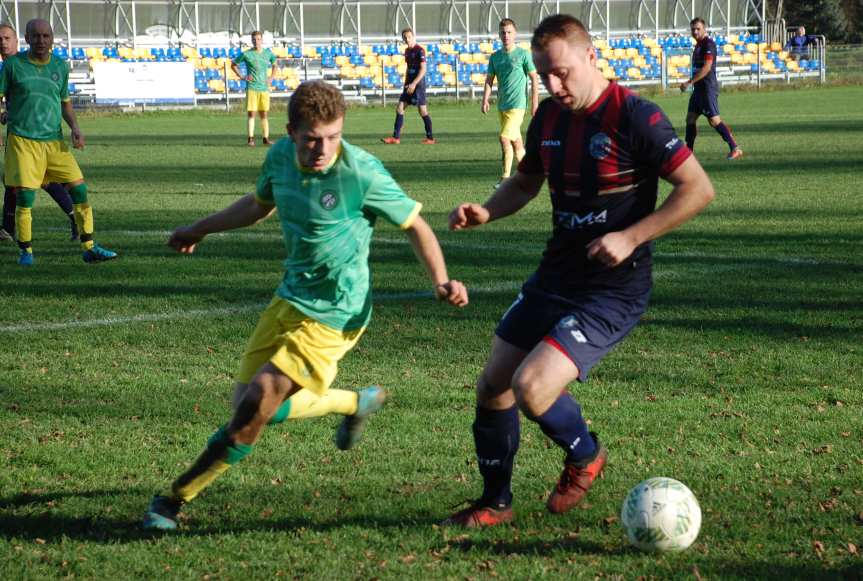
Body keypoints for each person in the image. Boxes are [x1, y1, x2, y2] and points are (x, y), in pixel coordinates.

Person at [143, 80, 468, 531]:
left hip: (337, 311)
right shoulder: (278, 157)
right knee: (254, 409)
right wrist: (200, 228)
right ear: (291, 130)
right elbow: (259, 206)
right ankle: (355, 402)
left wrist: (441, 280)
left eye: (333, 137)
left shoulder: (361, 172)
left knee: (254, 406)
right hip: (291, 296)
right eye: (312, 138)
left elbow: (416, 226)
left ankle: (172, 499)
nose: (323, 148)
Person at [443, 14, 715, 528]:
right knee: (493, 384)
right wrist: (487, 210)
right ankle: (495, 501)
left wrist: (631, 235)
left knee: (533, 388)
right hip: (555, 276)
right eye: (544, 75)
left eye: (562, 72)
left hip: (613, 289)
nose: (553, 84)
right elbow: (525, 184)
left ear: (592, 57)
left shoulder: (637, 117)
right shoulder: (547, 117)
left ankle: (585, 454)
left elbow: (698, 189)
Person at [0, 19, 116, 266]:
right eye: (36, 36)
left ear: (52, 39)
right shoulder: (12, 65)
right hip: (23, 141)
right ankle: (26, 253)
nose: (41, 41)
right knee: (25, 198)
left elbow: (65, 102)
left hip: (54, 142)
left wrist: (75, 128)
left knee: (79, 189)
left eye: (46, 36)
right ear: (27, 38)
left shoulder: (60, 67)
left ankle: (89, 247)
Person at [0, 23, 77, 244]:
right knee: (19, 181)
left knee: (36, 180)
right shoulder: (9, 66)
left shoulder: (20, 64)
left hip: (39, 137)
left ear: (18, 41)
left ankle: (9, 229)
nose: (3, 43)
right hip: (21, 134)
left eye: (7, 38)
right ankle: (7, 228)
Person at [482, 19, 539, 185]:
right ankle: (528, 175)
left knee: (504, 138)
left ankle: (505, 178)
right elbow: (489, 80)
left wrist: (535, 102)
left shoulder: (523, 55)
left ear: (515, 34)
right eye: (503, 32)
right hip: (502, 106)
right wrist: (485, 99)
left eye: (509, 32)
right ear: (499, 34)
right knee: (516, 142)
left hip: (518, 105)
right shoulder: (495, 57)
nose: (506, 35)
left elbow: (534, 78)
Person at [680, 17, 743, 160]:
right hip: (699, 90)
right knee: (690, 118)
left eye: (698, 29)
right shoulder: (698, 45)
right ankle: (688, 152)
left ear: (704, 29)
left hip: (708, 88)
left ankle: (735, 148)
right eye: (693, 29)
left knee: (714, 121)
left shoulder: (708, 44)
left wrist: (689, 82)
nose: (695, 31)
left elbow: (707, 67)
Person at [381, 28, 435, 145]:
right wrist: (406, 83)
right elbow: (409, 68)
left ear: (413, 36)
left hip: (418, 85)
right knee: (400, 108)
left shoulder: (420, 50)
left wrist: (414, 83)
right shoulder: (407, 51)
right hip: (408, 84)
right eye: (405, 37)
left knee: (422, 111)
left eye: (409, 37)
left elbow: (423, 69)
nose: (407, 39)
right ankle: (396, 138)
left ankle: (430, 138)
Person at [231, 31, 277, 147]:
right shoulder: (247, 54)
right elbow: (233, 64)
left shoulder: (268, 53)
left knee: (264, 114)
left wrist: (271, 77)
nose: (256, 41)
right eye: (254, 39)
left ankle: (266, 138)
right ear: (251, 41)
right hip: (252, 88)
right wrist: (242, 76)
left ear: (262, 40)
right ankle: (250, 139)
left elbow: (275, 65)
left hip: (264, 88)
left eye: (258, 39)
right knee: (251, 114)